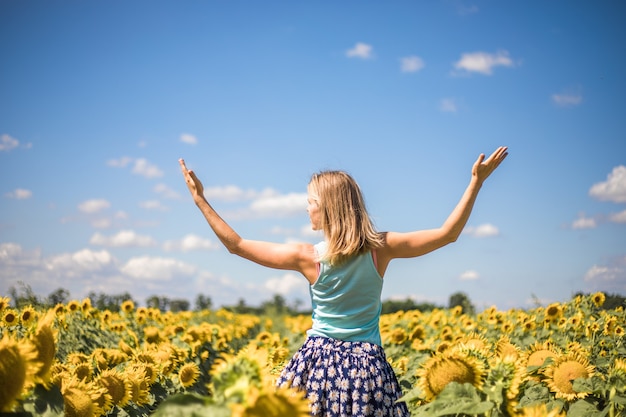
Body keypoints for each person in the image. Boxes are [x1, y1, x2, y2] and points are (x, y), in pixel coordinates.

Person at [179, 146, 508, 417]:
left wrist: (200, 200)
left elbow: (236, 245)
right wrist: (475, 183)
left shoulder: (308, 257)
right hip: (367, 369)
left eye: (310, 203)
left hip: (317, 364)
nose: (306, 209)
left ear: (325, 209)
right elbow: (447, 235)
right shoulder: (382, 248)